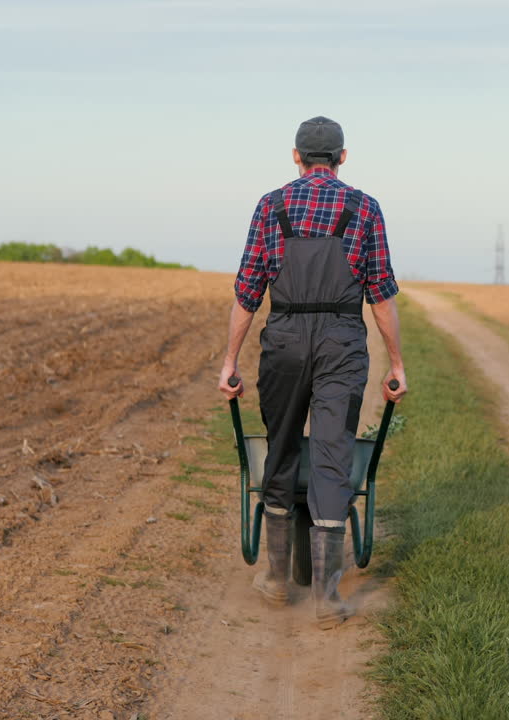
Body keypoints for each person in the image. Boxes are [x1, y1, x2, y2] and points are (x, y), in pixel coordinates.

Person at [217, 116, 407, 628]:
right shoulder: (364, 208)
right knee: (331, 455)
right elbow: (382, 295)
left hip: (283, 336)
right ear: (343, 157)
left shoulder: (271, 205)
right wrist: (396, 364)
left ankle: (278, 580)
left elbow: (247, 291)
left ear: (296, 157)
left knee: (279, 449)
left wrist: (231, 361)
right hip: (342, 341)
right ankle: (328, 598)